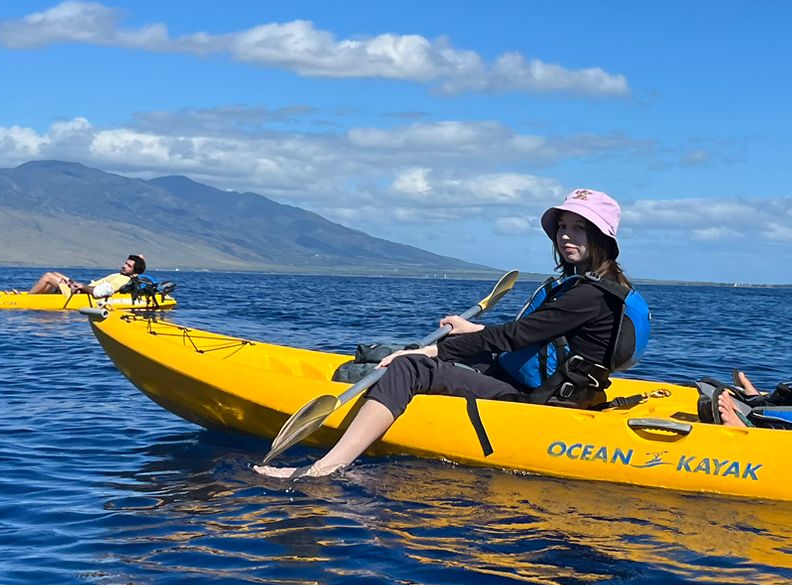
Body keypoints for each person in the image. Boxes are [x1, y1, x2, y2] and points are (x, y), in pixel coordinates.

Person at [256, 190, 652, 480]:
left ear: (602, 237)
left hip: (541, 403)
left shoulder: (588, 294)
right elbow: (534, 336)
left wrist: (429, 351)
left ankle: (327, 468)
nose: (566, 236)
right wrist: (469, 331)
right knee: (436, 352)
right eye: (563, 227)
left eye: (579, 229)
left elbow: (515, 338)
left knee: (410, 367)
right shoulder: (588, 284)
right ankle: (387, 387)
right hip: (530, 381)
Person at [28, 254, 147, 298]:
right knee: (55, 274)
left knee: (48, 276)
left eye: (128, 266)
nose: (124, 266)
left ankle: (27, 298)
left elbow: (99, 293)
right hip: (81, 289)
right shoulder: (122, 275)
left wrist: (82, 286)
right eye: (125, 263)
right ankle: (38, 295)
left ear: (134, 271)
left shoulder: (122, 279)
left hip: (80, 294)